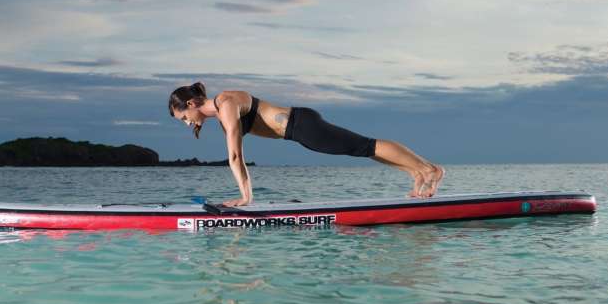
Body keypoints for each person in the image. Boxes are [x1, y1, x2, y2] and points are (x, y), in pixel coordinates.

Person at [168, 82, 444, 206]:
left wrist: (246, 198)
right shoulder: (222, 111)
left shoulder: (225, 104)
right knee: (361, 149)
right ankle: (415, 172)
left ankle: (430, 169)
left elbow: (236, 156)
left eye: (183, 117)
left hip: (302, 126)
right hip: (300, 130)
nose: (187, 122)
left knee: (365, 146)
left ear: (191, 104)